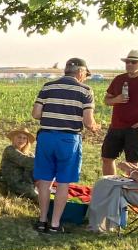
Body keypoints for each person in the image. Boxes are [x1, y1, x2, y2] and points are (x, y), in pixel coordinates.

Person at [32, 57, 100, 234]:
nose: (85, 78)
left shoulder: (48, 86)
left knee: (45, 182)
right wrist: (94, 127)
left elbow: (36, 114)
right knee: (63, 183)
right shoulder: (85, 90)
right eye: (86, 74)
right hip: (69, 140)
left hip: (46, 137)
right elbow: (87, 120)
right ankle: (55, 224)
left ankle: (42, 220)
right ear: (80, 72)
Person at [0, 128, 36, 198]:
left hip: (28, 182)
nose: (21, 140)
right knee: (36, 195)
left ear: (27, 141)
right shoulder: (9, 150)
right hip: (11, 183)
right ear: (13, 138)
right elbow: (26, 161)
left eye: (24, 138)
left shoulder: (30, 154)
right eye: (19, 137)